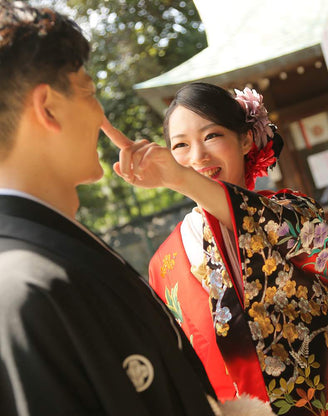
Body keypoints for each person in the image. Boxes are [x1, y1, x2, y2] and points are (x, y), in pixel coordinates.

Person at [107, 81, 328, 415]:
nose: (197, 157)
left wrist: (181, 178)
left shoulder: (297, 213)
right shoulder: (164, 262)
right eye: (180, 145)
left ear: (245, 139)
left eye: (211, 136)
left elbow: (273, 232)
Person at [0, 3, 236, 415]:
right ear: (48, 108)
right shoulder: (24, 288)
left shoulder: (46, 258)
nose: (102, 116)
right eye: (90, 93)